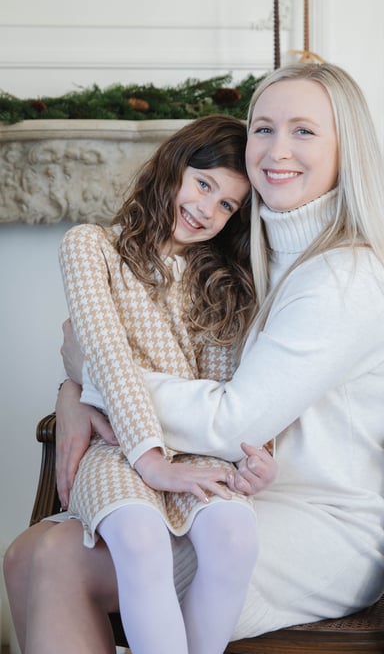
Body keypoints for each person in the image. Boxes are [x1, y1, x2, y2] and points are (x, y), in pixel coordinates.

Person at [4, 61, 384, 653]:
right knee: (24, 557)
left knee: (54, 560)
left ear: (346, 150)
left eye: (304, 131)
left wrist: (86, 378)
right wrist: (74, 393)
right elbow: (162, 351)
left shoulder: (347, 277)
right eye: (263, 128)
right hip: (240, 485)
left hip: (321, 524)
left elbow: (233, 423)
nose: (277, 149)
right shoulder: (253, 251)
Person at [6, 115, 277, 654]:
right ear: (174, 167)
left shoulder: (222, 280)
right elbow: (105, 355)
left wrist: (257, 455)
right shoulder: (91, 247)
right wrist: (149, 458)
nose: (206, 210)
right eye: (203, 184)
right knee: (138, 535)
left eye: (227, 205)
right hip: (118, 447)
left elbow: (230, 386)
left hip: (197, 447)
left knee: (235, 537)